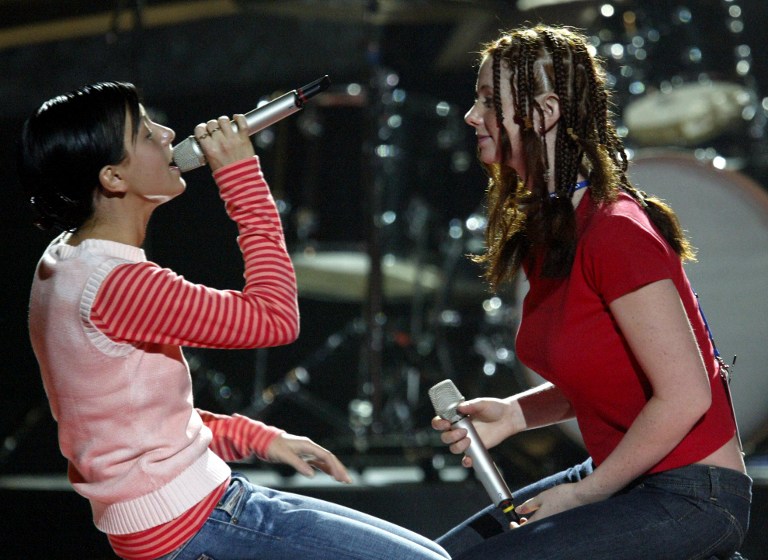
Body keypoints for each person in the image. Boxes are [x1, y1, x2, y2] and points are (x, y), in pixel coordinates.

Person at [18, 81, 449, 560]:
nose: (167, 135)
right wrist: (241, 176)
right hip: (192, 526)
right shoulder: (117, 284)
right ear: (113, 179)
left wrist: (259, 438)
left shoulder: (63, 259)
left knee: (434, 552)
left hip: (194, 510)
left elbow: (134, 426)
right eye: (144, 134)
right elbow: (275, 319)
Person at [432, 25, 751, 559]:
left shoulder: (615, 228)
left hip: (693, 495)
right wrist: (515, 415)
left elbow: (686, 394)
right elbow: (615, 377)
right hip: (633, 479)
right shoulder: (558, 227)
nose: (471, 115)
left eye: (489, 100)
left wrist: (585, 494)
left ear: (546, 111)